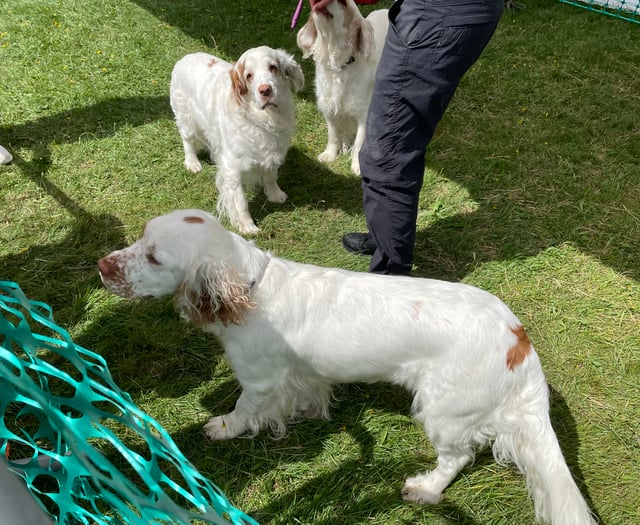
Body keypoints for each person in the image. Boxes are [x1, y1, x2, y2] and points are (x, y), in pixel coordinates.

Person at [328, 0, 504, 275]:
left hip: (436, 16)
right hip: (434, 13)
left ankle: (390, 280)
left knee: (387, 153)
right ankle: (385, 239)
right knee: (393, 135)